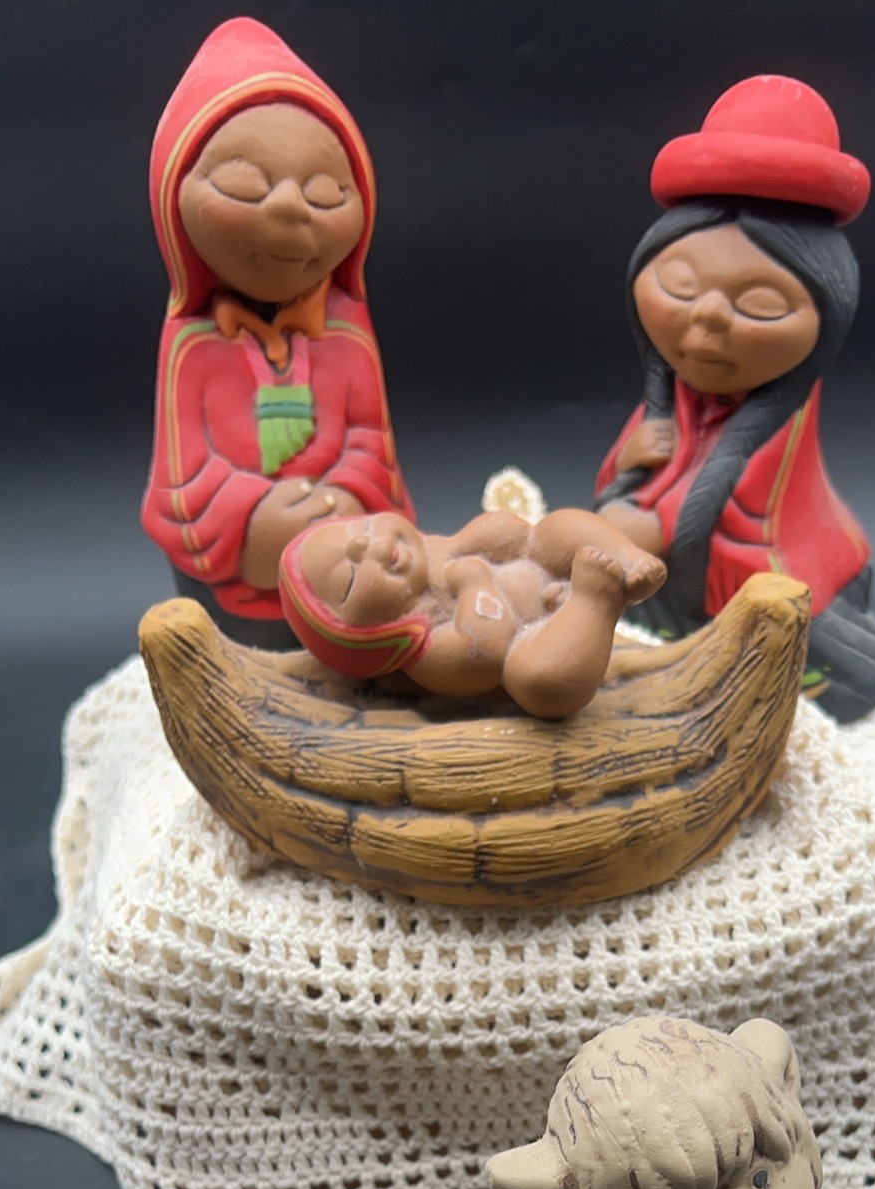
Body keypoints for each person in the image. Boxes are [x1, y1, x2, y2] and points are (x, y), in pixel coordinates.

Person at [595, 76, 875, 720]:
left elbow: (754, 505)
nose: (707, 317)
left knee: (805, 635)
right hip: (668, 572)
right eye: (679, 286)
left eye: (758, 304)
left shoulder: (782, 413)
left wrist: (657, 526)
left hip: (747, 562)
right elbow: (631, 473)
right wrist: (631, 463)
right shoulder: (669, 395)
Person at [142, 19, 412, 647]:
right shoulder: (192, 345)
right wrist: (254, 523)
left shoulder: (346, 337)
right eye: (244, 185)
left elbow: (371, 441)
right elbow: (182, 476)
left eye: (326, 193)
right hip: (238, 595)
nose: (290, 206)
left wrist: (346, 500)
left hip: (345, 572)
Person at [278, 507, 665, 717]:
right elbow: (488, 651)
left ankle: (627, 558)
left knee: (553, 529)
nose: (372, 546)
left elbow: (510, 531)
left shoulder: (437, 549)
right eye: (350, 578)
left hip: (545, 569)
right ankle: (595, 600)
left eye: (363, 529)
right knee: (540, 681)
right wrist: (474, 582)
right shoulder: (427, 652)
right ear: (362, 634)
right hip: (542, 636)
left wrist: (482, 537)